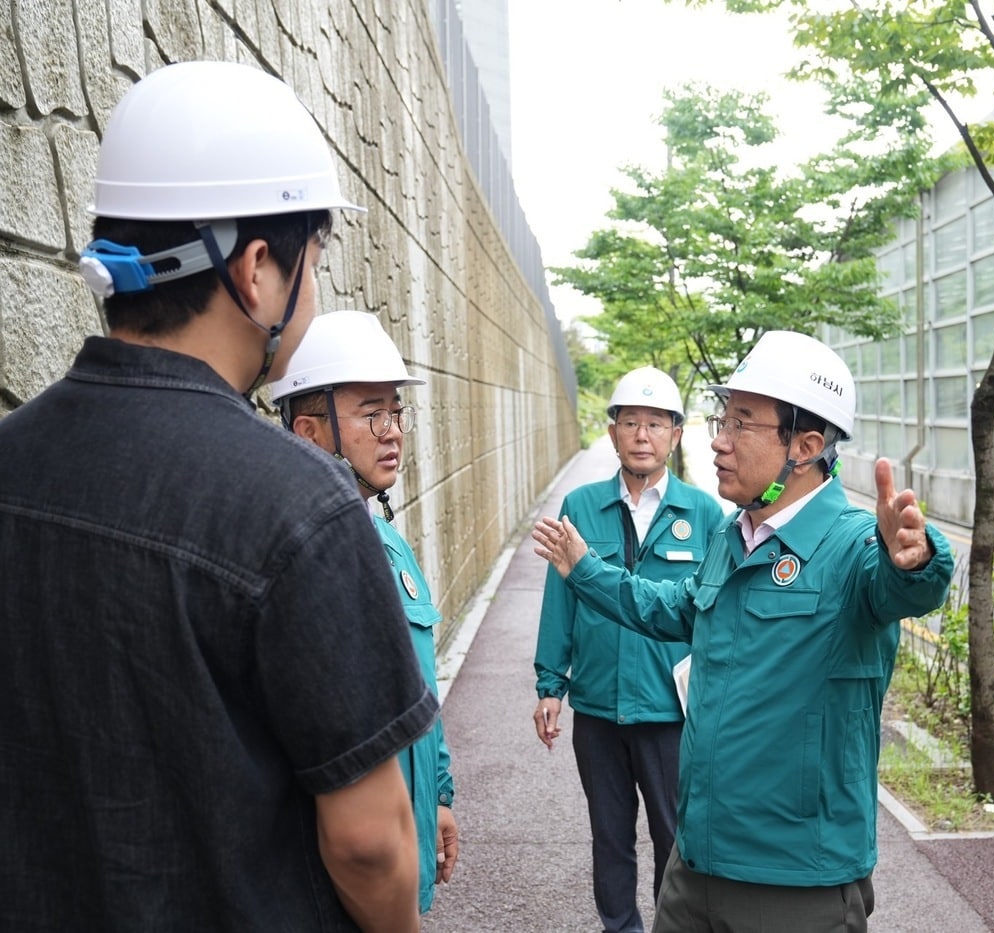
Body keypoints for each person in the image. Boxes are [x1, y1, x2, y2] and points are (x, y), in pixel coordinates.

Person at [0, 62, 436, 932]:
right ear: (258, 269)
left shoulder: (13, 458)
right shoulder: (299, 504)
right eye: (314, 256)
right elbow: (368, 842)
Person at [532, 330, 955, 933]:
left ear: (805, 446)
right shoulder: (734, 536)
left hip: (794, 883)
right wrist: (585, 569)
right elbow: (671, 608)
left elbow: (903, 585)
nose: (719, 442)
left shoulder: (853, 545)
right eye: (721, 420)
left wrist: (917, 557)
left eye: (741, 424)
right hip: (696, 862)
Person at [269, 309, 459, 916]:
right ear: (308, 430)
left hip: (405, 833)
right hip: (337, 883)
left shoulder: (387, 538)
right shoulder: (295, 557)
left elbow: (419, 689)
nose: (393, 431)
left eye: (396, 413)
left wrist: (440, 798)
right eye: (372, 414)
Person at [532, 365, 725, 933]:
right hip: (597, 706)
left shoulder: (705, 512)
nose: (643, 435)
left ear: (676, 435)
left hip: (669, 712)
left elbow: (709, 614)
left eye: (656, 424)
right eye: (631, 423)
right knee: (609, 837)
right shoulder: (582, 505)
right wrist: (551, 684)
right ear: (612, 431)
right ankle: (620, 927)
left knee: (675, 836)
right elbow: (560, 595)